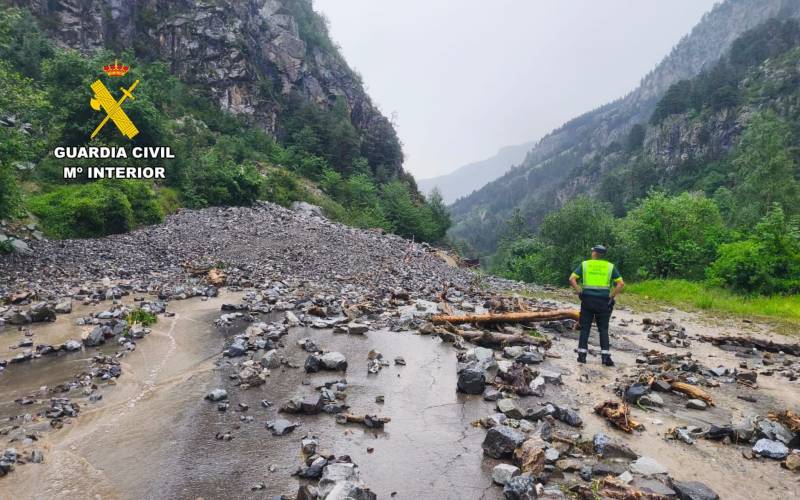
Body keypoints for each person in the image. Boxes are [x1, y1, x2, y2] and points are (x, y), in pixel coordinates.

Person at [568, 245, 624, 366]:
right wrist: (611, 296)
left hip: (587, 300)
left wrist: (579, 292)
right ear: (602, 255)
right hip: (603, 301)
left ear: (594, 253)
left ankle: (582, 356)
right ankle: (605, 357)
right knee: (603, 329)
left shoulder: (585, 264)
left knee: (585, 328)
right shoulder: (610, 266)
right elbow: (620, 283)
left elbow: (572, 279)